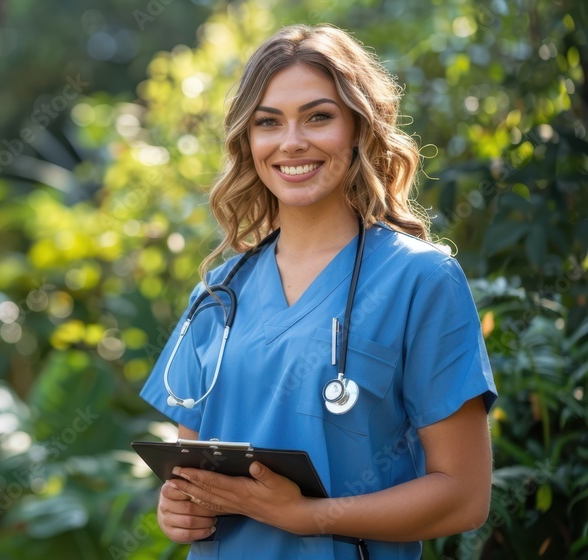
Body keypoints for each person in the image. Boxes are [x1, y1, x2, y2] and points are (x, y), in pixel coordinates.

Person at [138, 24, 497, 559]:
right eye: (268, 123)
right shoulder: (220, 292)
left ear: (359, 129)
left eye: (318, 117)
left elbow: (464, 497)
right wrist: (178, 508)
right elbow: (191, 475)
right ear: (248, 140)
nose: (291, 142)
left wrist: (308, 517)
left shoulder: (420, 280)